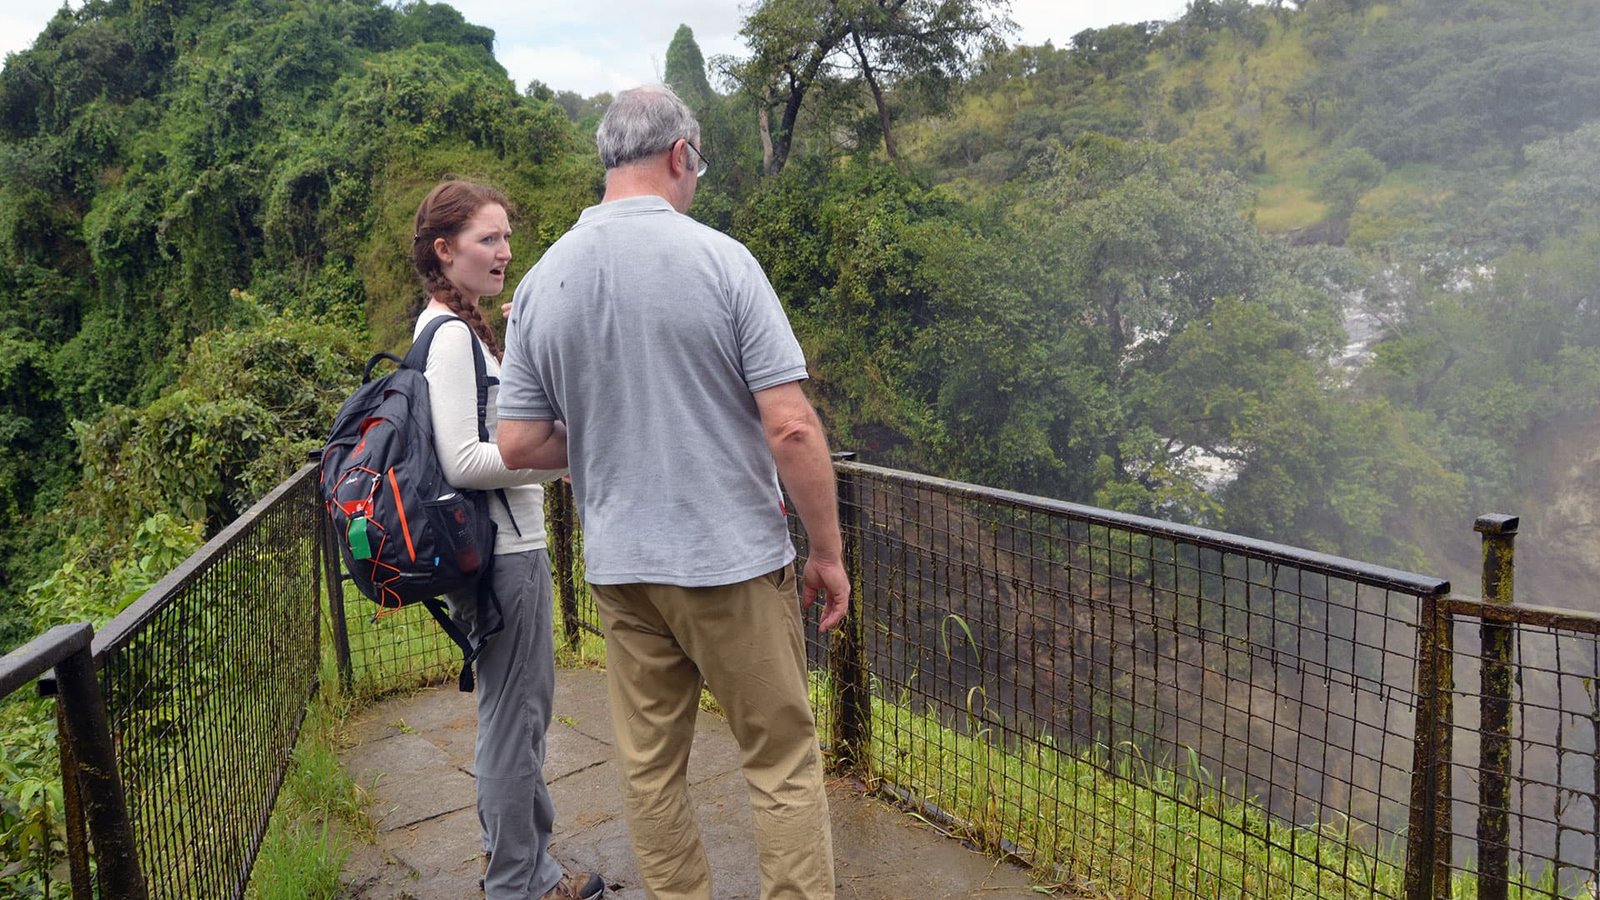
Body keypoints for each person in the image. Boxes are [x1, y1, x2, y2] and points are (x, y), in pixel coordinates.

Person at [495, 85, 851, 900]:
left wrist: (608, 436)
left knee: (651, 769)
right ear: (681, 155)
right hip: (730, 559)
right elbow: (792, 427)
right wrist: (826, 553)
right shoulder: (721, 261)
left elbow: (517, 443)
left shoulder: (543, 281)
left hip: (623, 569)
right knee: (779, 759)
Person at [410, 180, 604, 900]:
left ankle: (525, 864)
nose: (504, 251)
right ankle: (521, 882)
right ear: (444, 249)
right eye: (487, 238)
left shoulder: (456, 330)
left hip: (499, 549)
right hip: (505, 554)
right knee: (513, 719)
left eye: (506, 238)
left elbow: (499, 429)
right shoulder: (451, 336)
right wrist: (560, 461)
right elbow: (465, 460)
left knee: (517, 714)